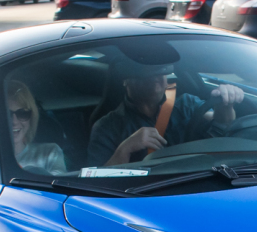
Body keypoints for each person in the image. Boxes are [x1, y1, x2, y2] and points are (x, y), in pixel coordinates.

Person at [87, 60, 245, 168]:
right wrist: (125, 149)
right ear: (125, 80)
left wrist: (225, 104)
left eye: (160, 70)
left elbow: (222, 125)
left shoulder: (187, 104)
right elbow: (95, 179)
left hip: (196, 178)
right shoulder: (107, 126)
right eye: (144, 71)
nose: (154, 76)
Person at [6, 81, 66, 175]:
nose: (14, 121)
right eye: (7, 114)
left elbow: (58, 185)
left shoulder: (49, 153)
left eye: (23, 114)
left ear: (32, 117)